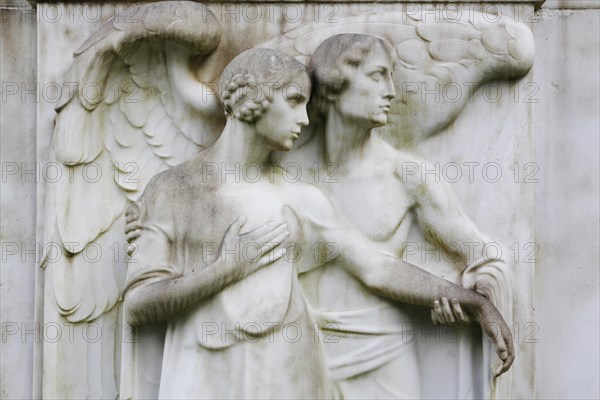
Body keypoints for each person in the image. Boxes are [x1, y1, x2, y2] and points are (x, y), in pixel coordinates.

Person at [123, 48, 513, 399]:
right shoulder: (174, 190)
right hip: (204, 375)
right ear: (252, 99)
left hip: (286, 375)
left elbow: (376, 268)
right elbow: (139, 305)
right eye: (294, 102)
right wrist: (226, 269)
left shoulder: (299, 198)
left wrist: (475, 301)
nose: (304, 118)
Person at [282, 33, 512, 398]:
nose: (391, 91)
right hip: (296, 348)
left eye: (391, 77)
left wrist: (474, 293)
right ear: (333, 86)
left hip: (383, 355)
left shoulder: (408, 176)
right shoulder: (286, 174)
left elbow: (482, 255)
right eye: (377, 76)